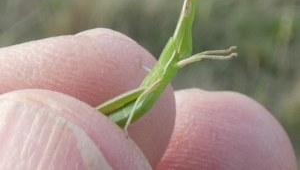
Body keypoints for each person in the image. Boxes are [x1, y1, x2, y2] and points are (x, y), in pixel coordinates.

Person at [0, 28, 297, 169]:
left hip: (147, 94)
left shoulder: (175, 57)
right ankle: (119, 124)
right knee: (131, 96)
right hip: (138, 101)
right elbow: (185, 62)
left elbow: (186, 59)